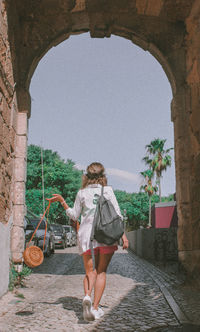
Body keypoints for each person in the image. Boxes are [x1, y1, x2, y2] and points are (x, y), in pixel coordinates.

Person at [46, 162, 129, 321]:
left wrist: (62, 201)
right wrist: (123, 236)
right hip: (105, 235)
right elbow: (118, 216)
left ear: (87, 176)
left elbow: (74, 215)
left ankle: (86, 296)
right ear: (103, 176)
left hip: (86, 237)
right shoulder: (109, 191)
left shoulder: (81, 193)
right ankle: (95, 308)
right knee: (101, 271)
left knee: (89, 271)